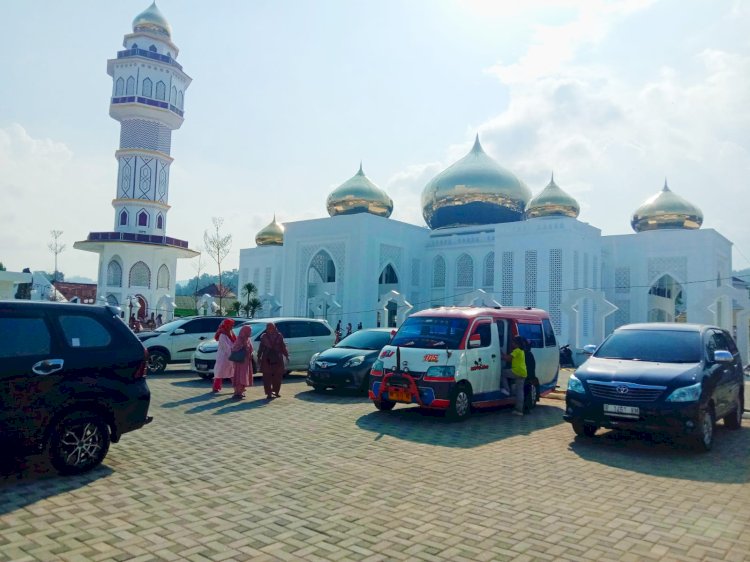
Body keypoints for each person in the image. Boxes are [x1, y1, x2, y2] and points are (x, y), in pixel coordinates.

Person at [257, 322, 289, 400]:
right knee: (271, 376)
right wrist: (286, 355)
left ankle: (272, 392)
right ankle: (272, 393)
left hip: (269, 358)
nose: (270, 329)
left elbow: (282, 346)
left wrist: (259, 357)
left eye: (271, 328)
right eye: (269, 328)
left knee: (275, 376)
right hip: (274, 358)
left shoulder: (264, 336)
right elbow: (283, 347)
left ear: (274, 328)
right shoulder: (278, 335)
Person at [501, 336, 527, 416]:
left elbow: (508, 359)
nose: (512, 344)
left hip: (516, 371)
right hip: (523, 373)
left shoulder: (516, 351)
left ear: (517, 344)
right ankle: (519, 410)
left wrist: (500, 354)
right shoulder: (522, 351)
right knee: (520, 392)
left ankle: (507, 390)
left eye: (513, 343)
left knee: (503, 373)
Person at [212, 318, 237, 392]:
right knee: (219, 372)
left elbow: (235, 342)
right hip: (223, 356)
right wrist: (233, 353)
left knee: (233, 372)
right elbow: (225, 347)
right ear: (226, 325)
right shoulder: (222, 334)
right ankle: (216, 387)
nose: (232, 326)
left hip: (230, 355)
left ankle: (236, 388)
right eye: (230, 325)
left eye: (232, 325)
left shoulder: (231, 333)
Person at [230, 325, 254, 399]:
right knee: (239, 376)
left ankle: (241, 391)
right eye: (249, 331)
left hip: (246, 361)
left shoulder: (248, 339)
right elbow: (234, 348)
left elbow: (251, 349)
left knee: (244, 375)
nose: (250, 332)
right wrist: (242, 346)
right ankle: (237, 392)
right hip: (240, 361)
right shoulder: (239, 339)